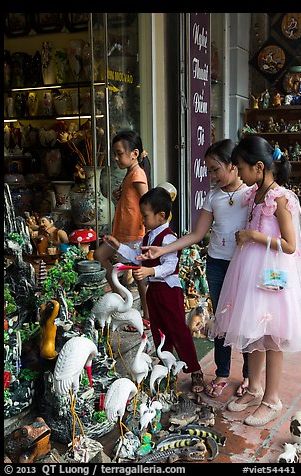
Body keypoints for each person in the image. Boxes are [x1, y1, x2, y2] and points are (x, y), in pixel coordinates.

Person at [137, 139, 251, 398]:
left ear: (233, 166)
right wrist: (164, 250)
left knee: (245, 322)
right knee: (221, 320)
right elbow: (198, 234)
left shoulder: (250, 195)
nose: (211, 176)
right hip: (216, 265)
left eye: (215, 169)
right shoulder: (214, 197)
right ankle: (222, 373)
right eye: (208, 170)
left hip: (244, 265)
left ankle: (248, 376)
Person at [213, 135, 301, 426]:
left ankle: (272, 399)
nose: (238, 172)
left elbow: (291, 245)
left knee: (272, 336)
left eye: (241, 167)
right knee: (254, 331)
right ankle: (254, 387)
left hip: (273, 274)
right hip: (252, 272)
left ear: (260, 167)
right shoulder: (255, 194)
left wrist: (254, 236)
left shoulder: (280, 199)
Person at [103, 186, 205, 393]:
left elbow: (170, 266)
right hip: (155, 293)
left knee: (178, 331)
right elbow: (135, 257)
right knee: (159, 331)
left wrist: (150, 271)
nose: (142, 219)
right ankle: (166, 369)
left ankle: (195, 371)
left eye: (145, 215)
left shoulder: (168, 238)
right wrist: (117, 246)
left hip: (169, 291)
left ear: (161, 216)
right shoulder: (149, 237)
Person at [93, 129, 150, 325]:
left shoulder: (137, 174)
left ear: (134, 154)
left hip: (135, 235)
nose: (116, 158)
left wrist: (147, 230)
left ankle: (146, 315)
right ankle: (123, 300)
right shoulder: (130, 174)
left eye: (119, 153)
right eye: (114, 154)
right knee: (100, 256)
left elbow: (146, 201)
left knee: (139, 277)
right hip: (123, 235)